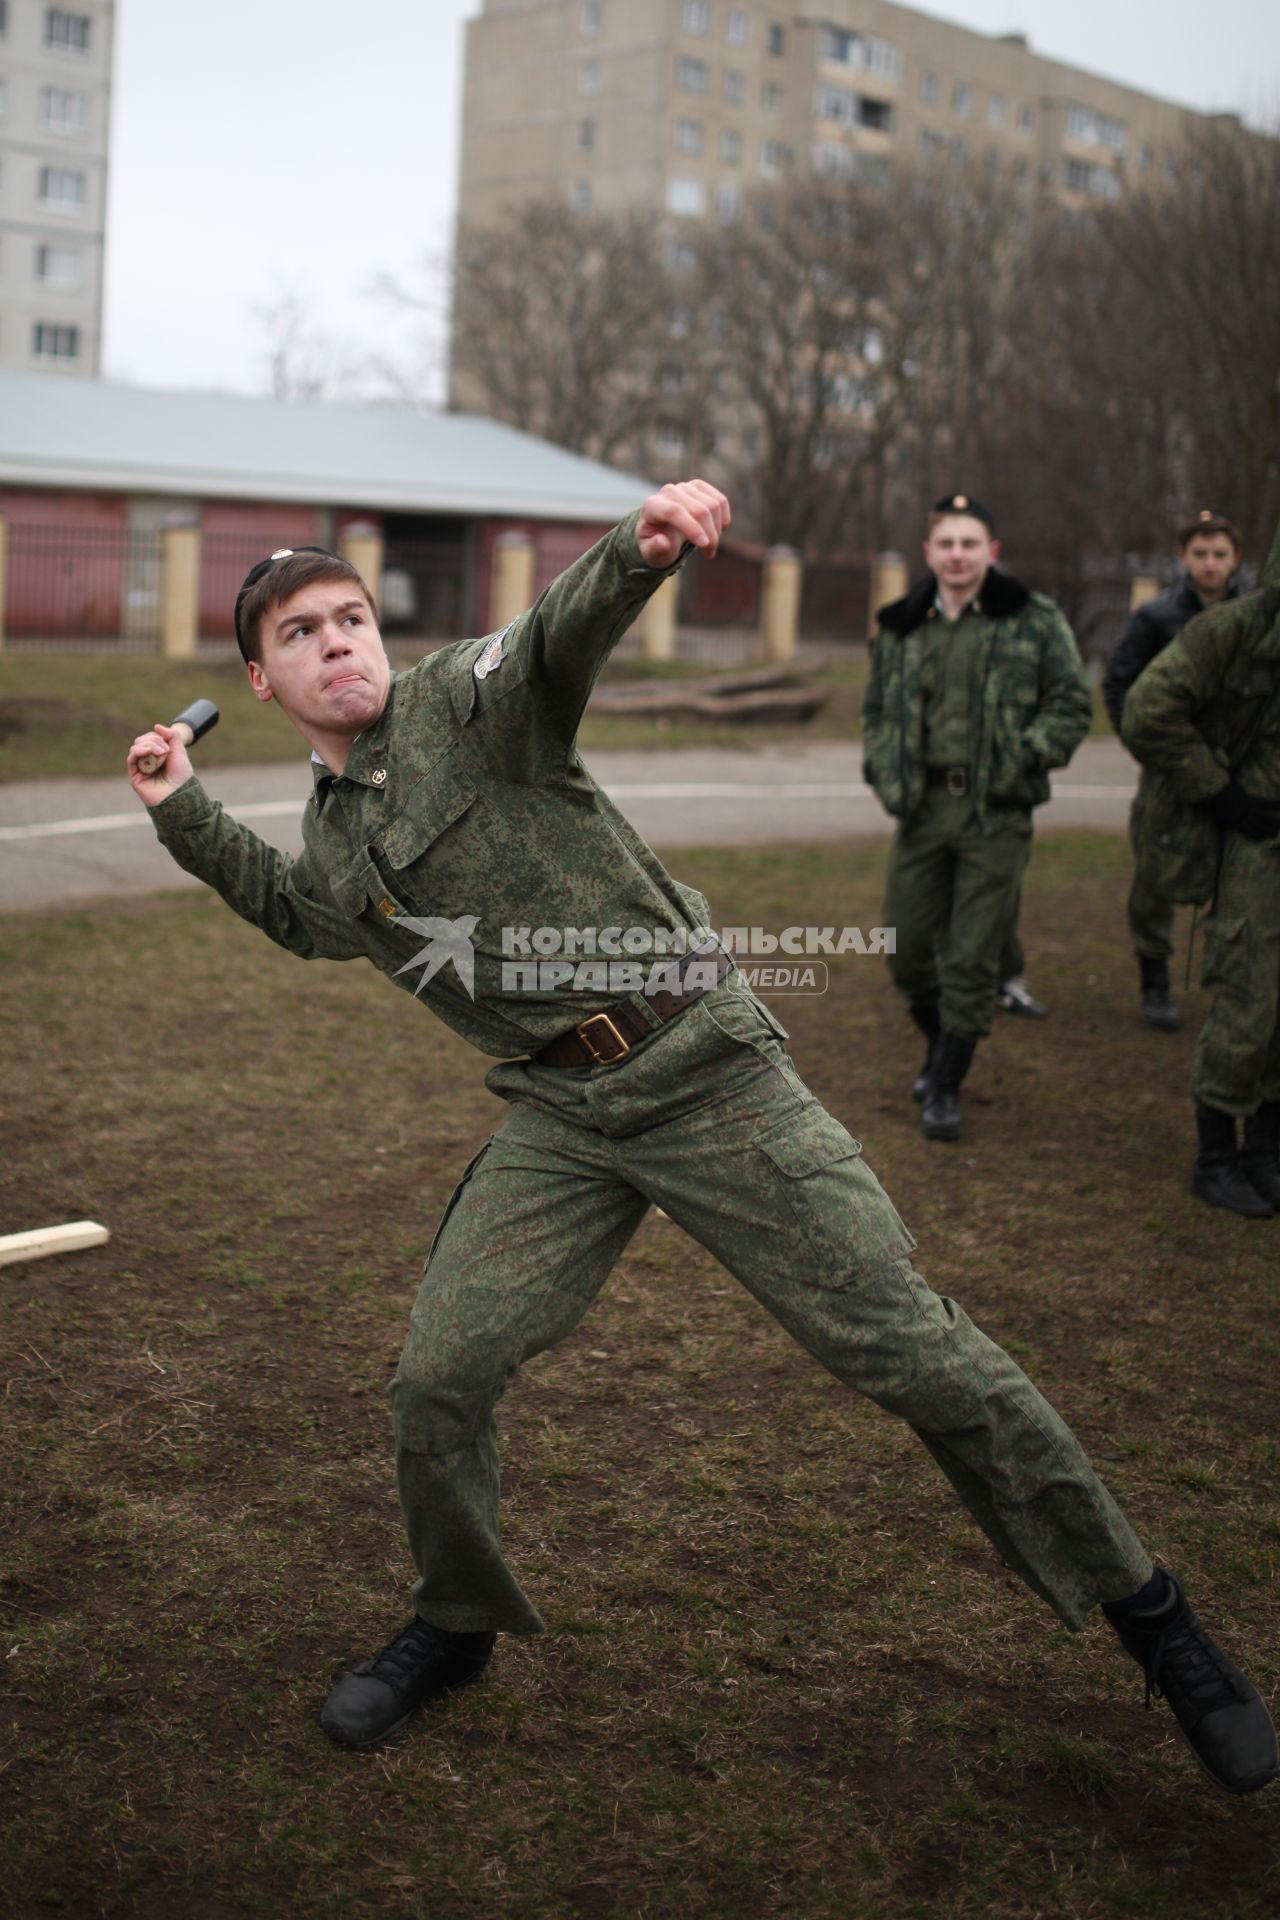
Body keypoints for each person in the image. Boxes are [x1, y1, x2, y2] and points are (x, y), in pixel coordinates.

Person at [126, 481, 1274, 1795]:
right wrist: (179, 806)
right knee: (437, 1377)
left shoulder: (466, 700)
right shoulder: (336, 835)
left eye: (348, 615)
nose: (337, 641)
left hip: (704, 1067)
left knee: (918, 1356)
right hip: (562, 1112)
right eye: (298, 634)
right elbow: (299, 914)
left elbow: (557, 635)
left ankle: (1154, 1617)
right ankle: (455, 1621)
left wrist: (638, 548)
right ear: (262, 683)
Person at [861, 495, 1092, 1142]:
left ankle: (946, 1085)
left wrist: (1025, 759)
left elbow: (1071, 705)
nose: (958, 555)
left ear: (992, 552)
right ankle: (941, 1049)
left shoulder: (1033, 620)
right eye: (947, 543)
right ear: (929, 552)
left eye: (971, 543)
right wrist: (884, 772)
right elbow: (876, 712)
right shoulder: (901, 624)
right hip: (923, 809)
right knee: (904, 947)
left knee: (970, 956)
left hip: (996, 813)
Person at [1122, 513, 1280, 1219]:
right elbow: (1147, 710)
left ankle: (1265, 1151)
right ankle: (1216, 1155)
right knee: (1250, 995)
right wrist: (1221, 794)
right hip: (1258, 839)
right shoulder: (1235, 631)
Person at [1105, 512, 1243, 1032]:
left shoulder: (1251, 617)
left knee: (1235, 877)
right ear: (1183, 558)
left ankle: (1229, 981)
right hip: (1167, 773)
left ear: (1237, 560)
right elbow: (1119, 685)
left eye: (1220, 554)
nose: (1210, 564)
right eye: (1200, 554)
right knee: (1154, 880)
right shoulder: (1157, 618)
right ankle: (1155, 980)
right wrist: (1144, 745)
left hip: (1236, 773)